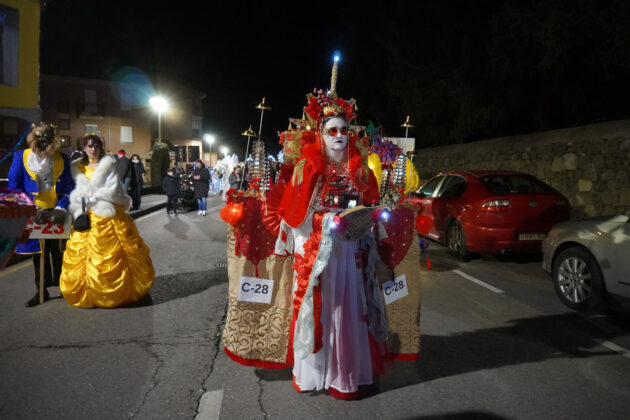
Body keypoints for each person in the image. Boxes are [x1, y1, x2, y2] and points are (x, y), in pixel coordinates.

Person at [274, 92, 386, 399]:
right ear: (320, 134)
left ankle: (345, 375)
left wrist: (366, 219)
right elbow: (297, 216)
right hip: (319, 252)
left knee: (350, 307)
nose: (338, 136)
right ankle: (314, 373)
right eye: (331, 131)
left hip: (350, 252)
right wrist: (326, 223)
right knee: (323, 307)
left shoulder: (360, 169)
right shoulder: (307, 168)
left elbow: (371, 205)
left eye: (343, 130)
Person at [59, 135, 154, 308]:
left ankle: (116, 290)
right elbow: (71, 190)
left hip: (106, 212)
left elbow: (114, 190)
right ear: (83, 149)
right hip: (84, 216)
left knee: (117, 252)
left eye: (95, 146)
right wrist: (79, 200)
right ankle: (88, 290)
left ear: (101, 148)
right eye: (89, 146)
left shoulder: (109, 165)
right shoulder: (76, 168)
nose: (93, 150)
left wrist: (94, 197)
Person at [8, 123, 75, 307]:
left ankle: (64, 287)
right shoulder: (21, 157)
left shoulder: (63, 159)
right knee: (38, 253)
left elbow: (69, 186)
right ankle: (41, 291)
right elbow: (15, 187)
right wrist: (32, 209)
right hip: (34, 211)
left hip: (57, 211)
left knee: (61, 251)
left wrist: (61, 209)